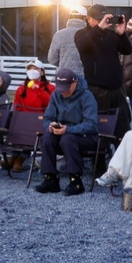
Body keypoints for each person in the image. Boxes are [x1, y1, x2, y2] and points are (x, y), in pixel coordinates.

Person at [35, 68, 99, 196]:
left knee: (68, 139)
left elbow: (91, 124)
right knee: (47, 137)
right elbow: (48, 118)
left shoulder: (87, 96)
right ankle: (50, 178)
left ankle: (76, 181)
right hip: (63, 133)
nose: (63, 92)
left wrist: (68, 129)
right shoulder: (56, 95)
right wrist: (51, 126)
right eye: (61, 88)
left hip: (85, 137)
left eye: (66, 88)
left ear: (75, 83)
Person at [75, 5, 132, 129]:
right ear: (88, 19)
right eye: (99, 18)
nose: (103, 21)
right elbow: (82, 45)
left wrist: (122, 34)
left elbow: (127, 50)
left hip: (117, 88)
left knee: (123, 126)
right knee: (101, 127)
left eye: (105, 18)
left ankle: (121, 147)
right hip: (97, 88)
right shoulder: (81, 34)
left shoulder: (112, 34)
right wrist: (99, 29)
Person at [46, 14, 87, 78]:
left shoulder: (59, 34)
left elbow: (52, 59)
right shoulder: (90, 35)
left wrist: (63, 63)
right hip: (83, 78)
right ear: (85, 18)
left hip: (63, 77)